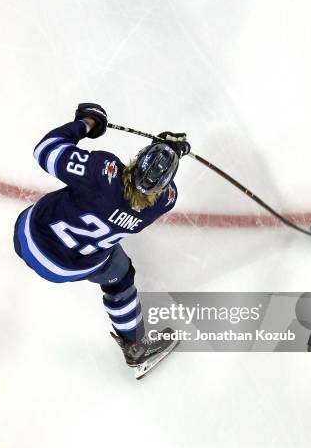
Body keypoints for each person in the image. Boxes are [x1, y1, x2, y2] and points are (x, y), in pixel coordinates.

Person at [13, 103, 190, 378]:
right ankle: (135, 346)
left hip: (27, 236)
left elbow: (45, 150)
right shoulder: (161, 204)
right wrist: (174, 153)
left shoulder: (100, 172)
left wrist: (86, 124)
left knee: (73, 200)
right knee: (120, 277)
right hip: (67, 270)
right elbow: (166, 189)